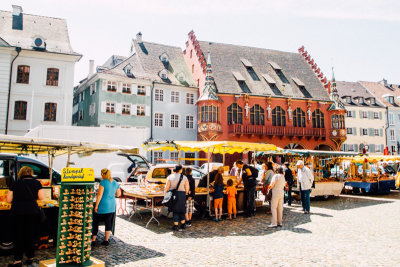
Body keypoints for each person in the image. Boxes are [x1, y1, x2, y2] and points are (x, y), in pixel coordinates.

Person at [6, 166, 45, 267]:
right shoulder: (37, 183)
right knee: (30, 235)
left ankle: (18, 260)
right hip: (32, 212)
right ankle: (30, 258)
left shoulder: (15, 183)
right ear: (31, 173)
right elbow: (41, 197)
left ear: (21, 173)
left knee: (18, 236)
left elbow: (9, 200)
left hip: (17, 212)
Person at [92, 169, 121, 246]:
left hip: (103, 204)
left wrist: (96, 206)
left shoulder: (103, 182)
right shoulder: (115, 182)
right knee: (108, 222)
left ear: (104, 174)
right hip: (111, 205)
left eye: (102, 174)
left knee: (95, 222)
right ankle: (106, 240)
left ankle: (94, 240)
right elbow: (118, 194)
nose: (101, 176)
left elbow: (99, 195)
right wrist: (111, 195)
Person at [164, 165, 189, 231]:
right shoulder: (184, 177)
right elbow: (187, 187)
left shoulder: (170, 177)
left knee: (175, 210)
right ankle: (183, 224)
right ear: (180, 170)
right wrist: (186, 193)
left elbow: (167, 187)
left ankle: (176, 225)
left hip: (173, 194)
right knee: (182, 209)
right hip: (182, 194)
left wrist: (165, 194)